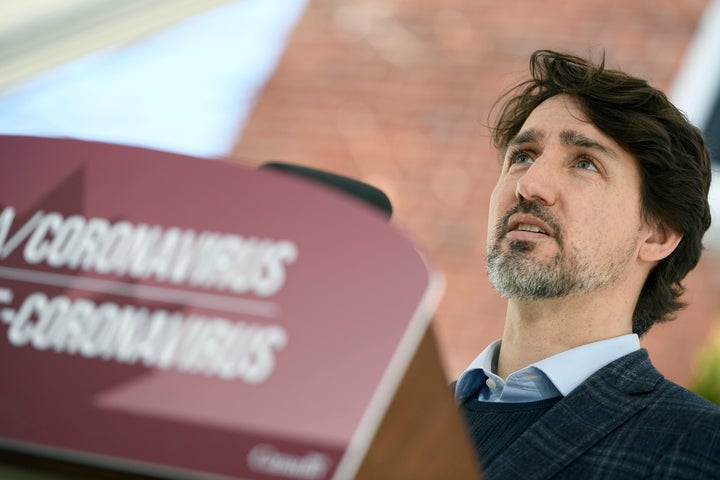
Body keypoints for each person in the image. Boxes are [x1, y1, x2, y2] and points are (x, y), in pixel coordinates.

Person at [453, 50, 720, 479]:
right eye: (523, 155)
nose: (530, 184)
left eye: (584, 163)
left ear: (656, 234)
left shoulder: (702, 448)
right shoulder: (385, 422)